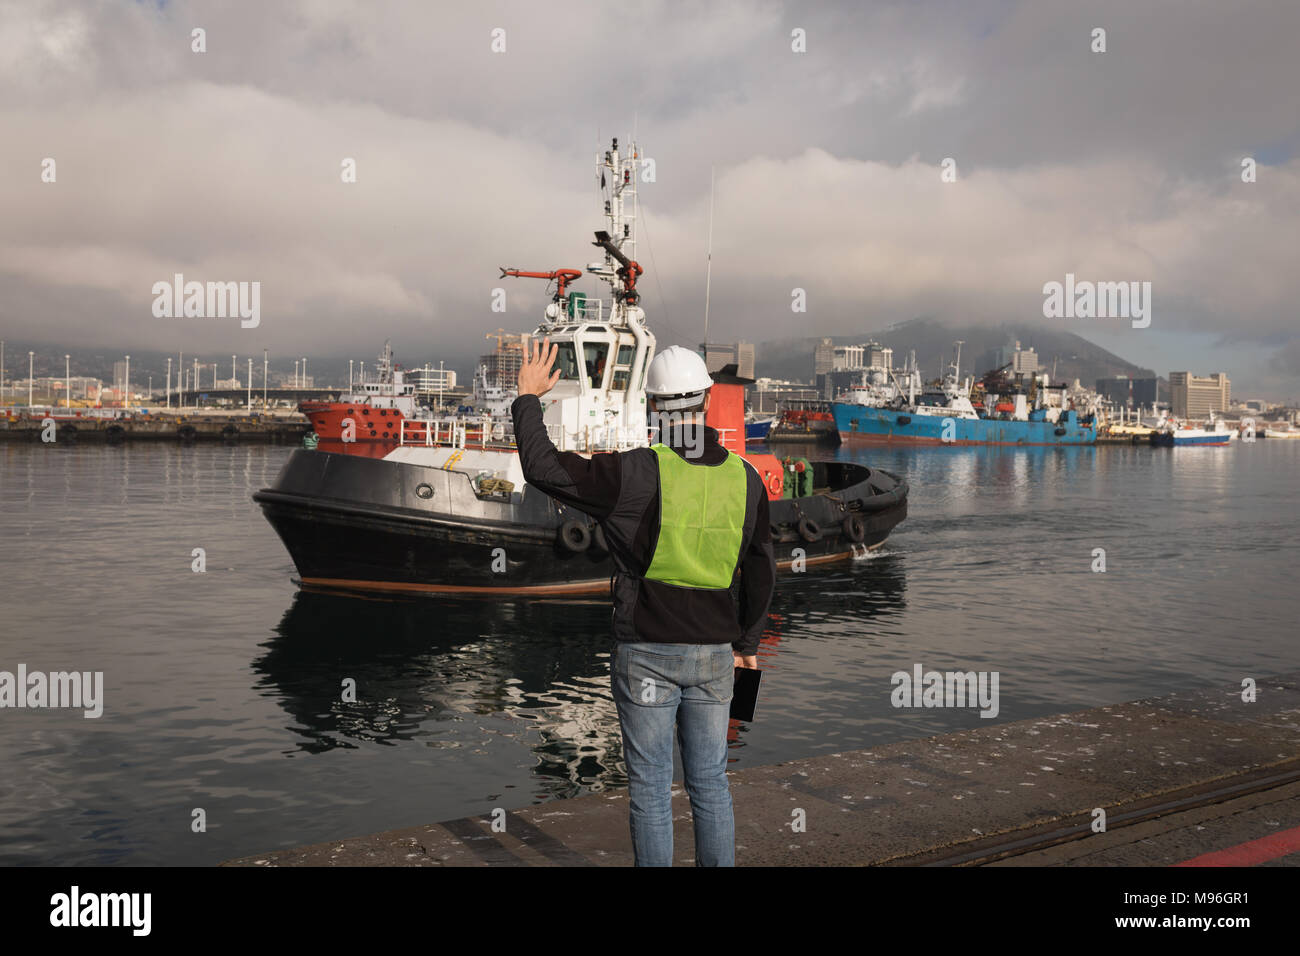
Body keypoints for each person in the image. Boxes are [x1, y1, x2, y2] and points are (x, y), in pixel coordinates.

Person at [511, 340, 775, 866]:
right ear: (704, 401)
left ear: (653, 407)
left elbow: (544, 470)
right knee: (711, 785)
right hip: (717, 656)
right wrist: (746, 644)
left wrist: (526, 398)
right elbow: (762, 571)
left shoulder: (632, 472)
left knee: (652, 791)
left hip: (646, 655)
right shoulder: (745, 479)